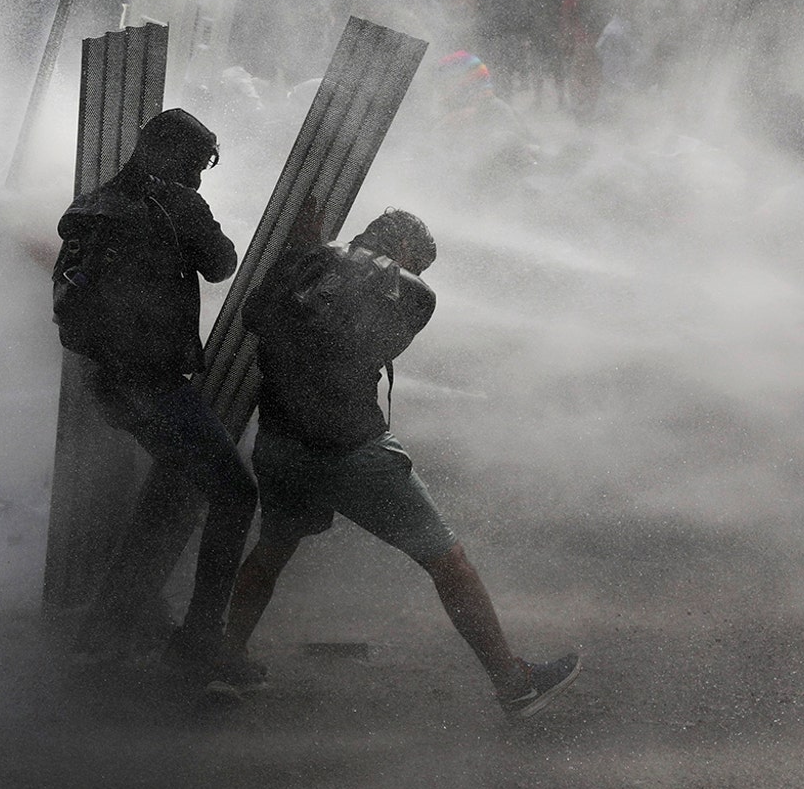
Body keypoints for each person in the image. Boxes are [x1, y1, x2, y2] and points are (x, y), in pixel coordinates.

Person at [223, 207, 582, 721]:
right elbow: (368, 346)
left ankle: (226, 659)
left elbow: (255, 318)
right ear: (409, 253)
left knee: (272, 550)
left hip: (281, 440)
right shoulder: (413, 291)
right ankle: (513, 683)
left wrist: (300, 256)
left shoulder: (305, 261)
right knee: (446, 559)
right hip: (351, 444)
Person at [51, 108, 261, 690]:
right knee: (237, 494)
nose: (196, 179)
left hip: (107, 383)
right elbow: (222, 264)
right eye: (193, 166)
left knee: (171, 488)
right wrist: (191, 211)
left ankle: (106, 627)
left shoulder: (90, 204)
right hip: (156, 385)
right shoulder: (178, 205)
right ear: (160, 153)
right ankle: (199, 641)